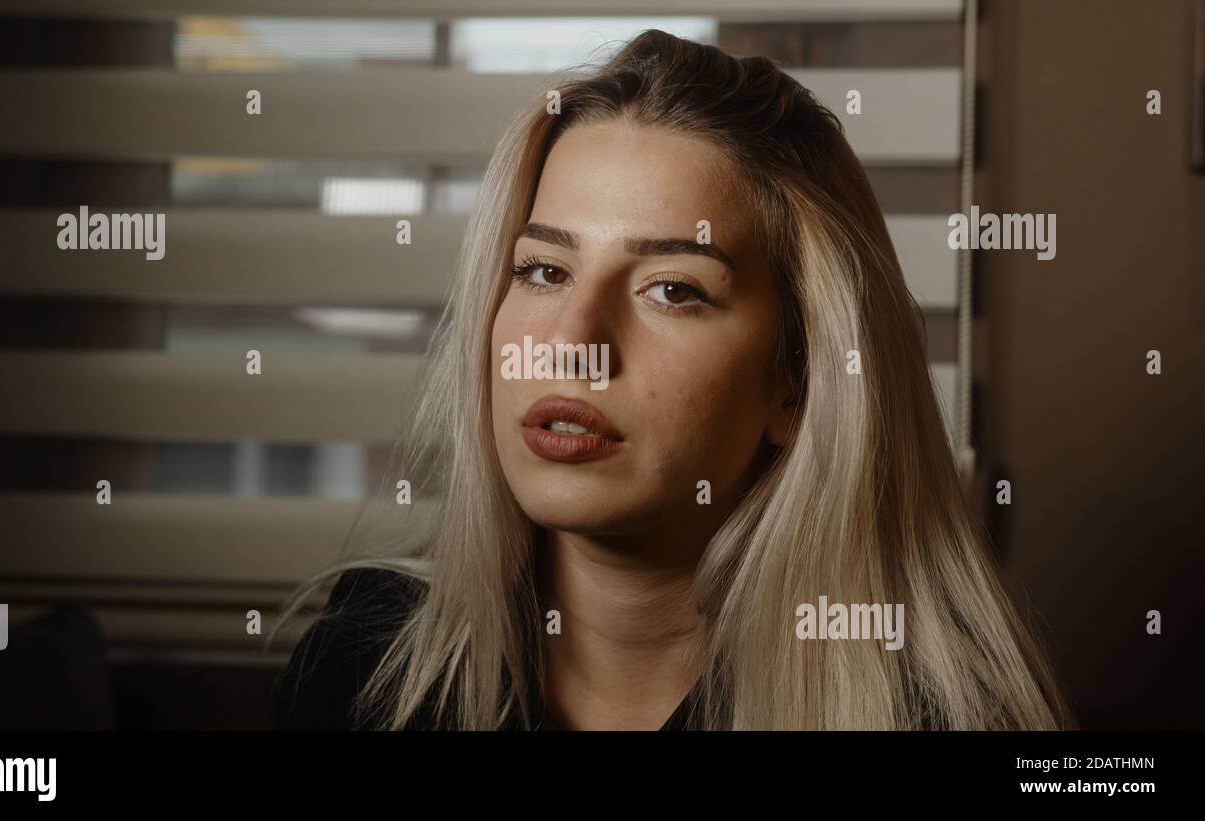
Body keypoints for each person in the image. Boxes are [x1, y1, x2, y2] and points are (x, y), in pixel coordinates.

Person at [272, 29, 1072, 731]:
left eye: (672, 289)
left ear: (793, 383)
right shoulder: (360, 669)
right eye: (544, 269)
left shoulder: (947, 717)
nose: (572, 343)